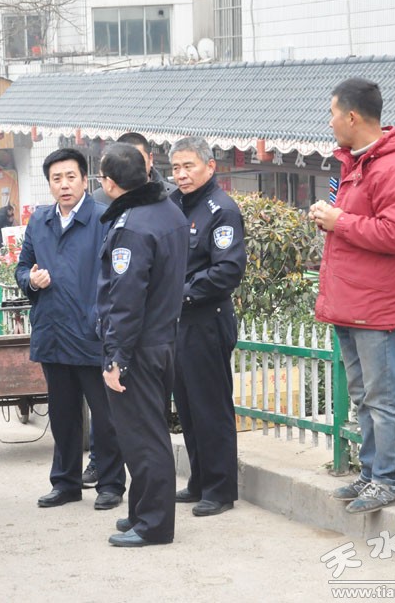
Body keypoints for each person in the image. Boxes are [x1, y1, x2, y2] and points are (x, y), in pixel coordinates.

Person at [310, 77, 395, 514]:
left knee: (384, 398)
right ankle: (372, 472)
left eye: (332, 113)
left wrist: (339, 221)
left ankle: (391, 480)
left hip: (378, 306)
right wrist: (334, 218)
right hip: (354, 303)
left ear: (351, 116)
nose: (330, 122)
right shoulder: (360, 163)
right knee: (365, 396)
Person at [15, 148, 126, 511]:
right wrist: (31, 280)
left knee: (105, 416)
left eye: (70, 177)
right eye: (56, 179)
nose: (64, 185)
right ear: (49, 183)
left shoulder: (104, 219)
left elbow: (116, 276)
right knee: (62, 415)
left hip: (92, 334)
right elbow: (22, 268)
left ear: (84, 179)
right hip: (53, 331)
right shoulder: (40, 221)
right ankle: (65, 483)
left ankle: (110, 483)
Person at [96, 143, 188, 547]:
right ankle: (142, 511)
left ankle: (153, 524)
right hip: (163, 339)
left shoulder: (132, 227)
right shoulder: (168, 210)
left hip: (138, 346)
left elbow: (126, 298)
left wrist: (116, 356)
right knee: (146, 432)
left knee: (143, 437)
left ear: (109, 183)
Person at [168, 137, 246, 517]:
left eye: (189, 166)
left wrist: (179, 292)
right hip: (177, 323)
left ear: (210, 166)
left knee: (210, 406)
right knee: (187, 405)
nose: (181, 175)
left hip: (207, 318)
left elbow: (227, 270)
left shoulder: (221, 210)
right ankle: (199, 479)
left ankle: (220, 488)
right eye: (176, 168)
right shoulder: (173, 205)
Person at [91, 132, 175, 205]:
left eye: (139, 159)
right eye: (126, 161)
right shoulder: (99, 198)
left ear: (150, 159)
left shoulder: (173, 195)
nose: (132, 166)